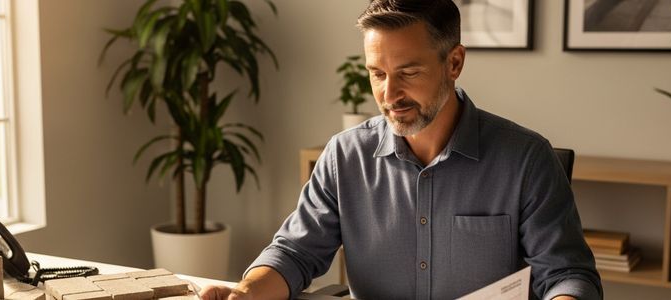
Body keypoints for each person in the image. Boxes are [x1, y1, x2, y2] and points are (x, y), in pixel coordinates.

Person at [201, 0, 602, 299]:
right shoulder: (344, 158)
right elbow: (295, 253)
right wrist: (246, 293)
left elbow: (567, 275)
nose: (389, 94)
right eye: (377, 74)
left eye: (408, 72)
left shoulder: (527, 160)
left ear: (455, 62)